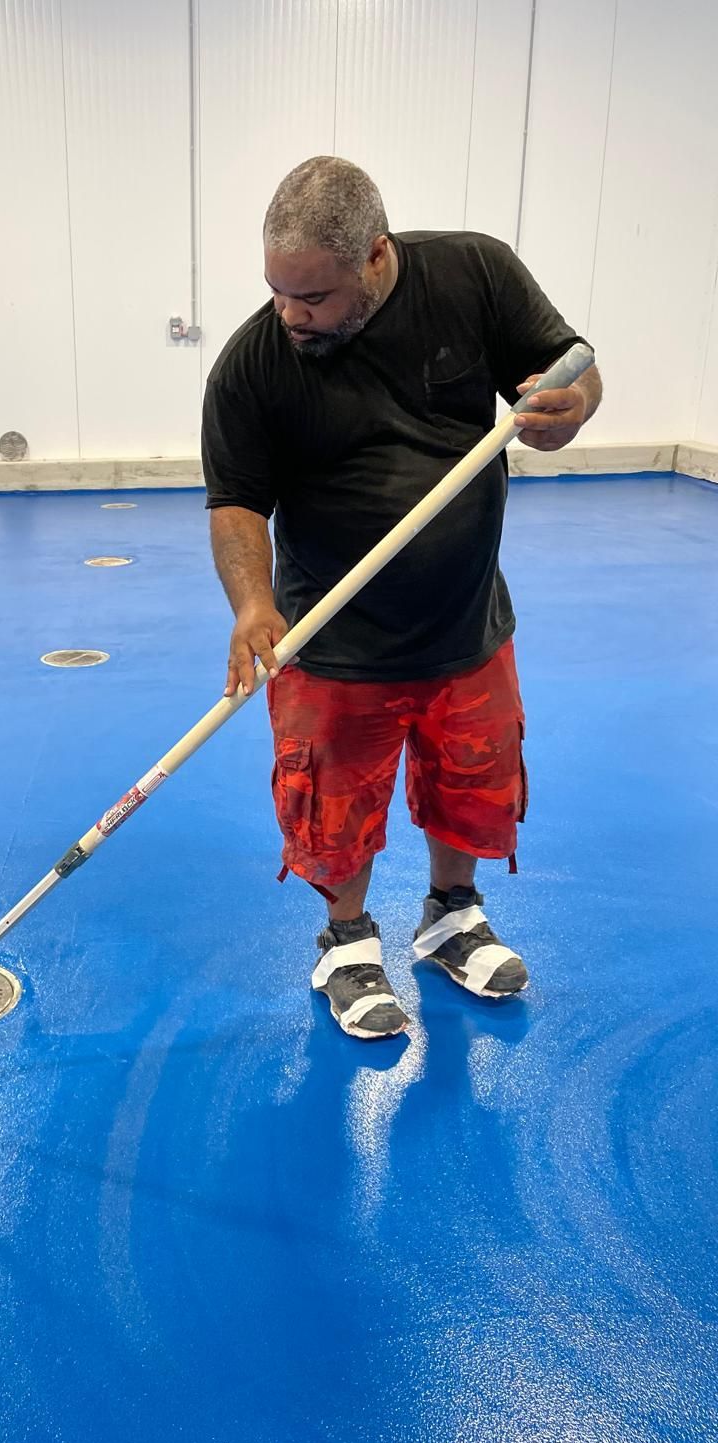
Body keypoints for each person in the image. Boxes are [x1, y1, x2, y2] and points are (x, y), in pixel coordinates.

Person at [201, 156, 603, 1040]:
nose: (289, 315)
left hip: (466, 624)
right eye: (276, 291)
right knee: (331, 805)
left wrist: (570, 409)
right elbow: (235, 502)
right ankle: (346, 937)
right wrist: (250, 604)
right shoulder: (253, 363)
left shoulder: (474, 274)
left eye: (313, 298)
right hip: (334, 640)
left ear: (375, 259)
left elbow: (571, 370)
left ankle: (451, 915)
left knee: (472, 781)